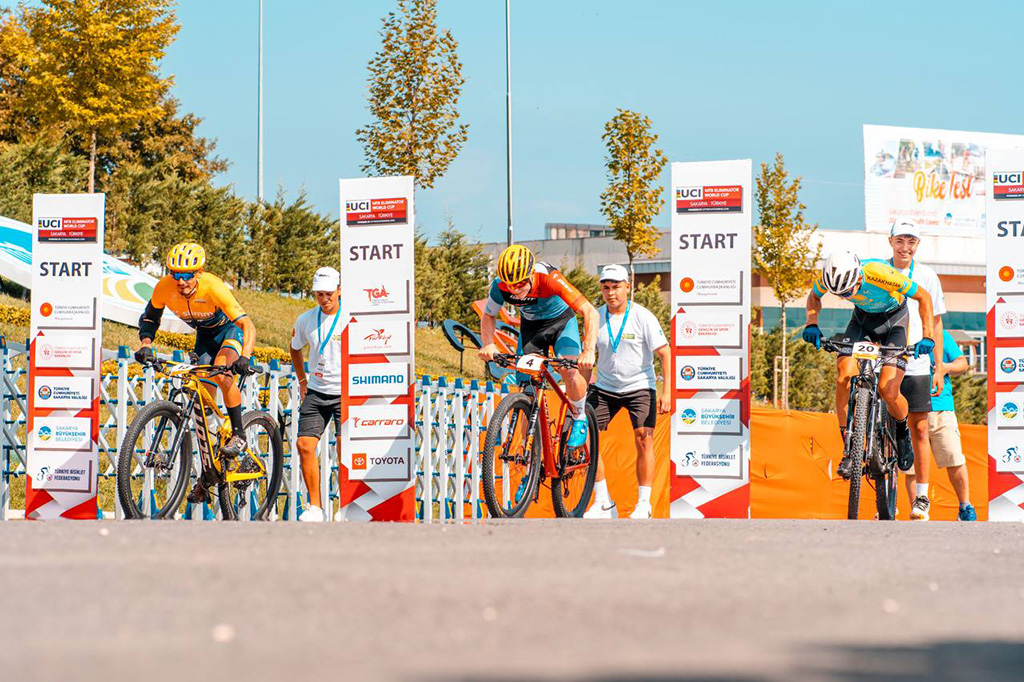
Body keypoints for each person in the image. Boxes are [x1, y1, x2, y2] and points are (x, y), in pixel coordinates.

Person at [135, 242, 257, 503]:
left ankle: (239, 435)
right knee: (202, 402)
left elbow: (247, 324)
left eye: (187, 275)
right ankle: (210, 471)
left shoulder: (213, 287)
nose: (180, 281)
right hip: (204, 337)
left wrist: (244, 357)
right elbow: (149, 318)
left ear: (199, 273)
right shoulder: (164, 287)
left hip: (229, 333)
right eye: (175, 274)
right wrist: (145, 345)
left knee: (222, 374)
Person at [802, 250, 935, 482]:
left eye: (847, 291)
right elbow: (814, 298)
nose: (844, 296)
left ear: (859, 278)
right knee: (844, 375)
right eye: (838, 293)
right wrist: (811, 323)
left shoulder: (879, 273)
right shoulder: (829, 277)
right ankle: (850, 448)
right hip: (862, 322)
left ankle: (902, 431)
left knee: (888, 389)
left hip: (895, 322)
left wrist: (928, 336)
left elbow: (923, 296)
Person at [478, 244, 598, 449]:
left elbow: (590, 311)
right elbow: (488, 314)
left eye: (521, 284)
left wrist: (588, 350)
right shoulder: (499, 286)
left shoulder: (549, 278)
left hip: (561, 323)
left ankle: (579, 417)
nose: (516, 290)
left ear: (531, 273)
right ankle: (530, 459)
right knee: (527, 390)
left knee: (568, 370)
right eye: (511, 285)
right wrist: (488, 344)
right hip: (532, 328)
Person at [582, 265, 671, 519]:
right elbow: (588, 358)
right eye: (606, 288)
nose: (611, 293)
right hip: (605, 387)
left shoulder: (643, 316)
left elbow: (665, 353)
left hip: (640, 386)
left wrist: (667, 393)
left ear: (627, 287)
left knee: (644, 438)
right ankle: (603, 502)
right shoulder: (595, 317)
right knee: (588, 438)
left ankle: (644, 504)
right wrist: (580, 394)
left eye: (616, 287)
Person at [885, 220, 946, 521]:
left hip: (918, 361)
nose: (905, 247)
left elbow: (936, 321)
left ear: (917, 245)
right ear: (890, 241)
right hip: (887, 359)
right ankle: (886, 501)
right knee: (882, 431)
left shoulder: (927, 275)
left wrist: (937, 367)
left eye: (911, 241)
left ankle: (921, 497)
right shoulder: (878, 271)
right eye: (900, 240)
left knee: (920, 429)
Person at [903, 329, 976, 521]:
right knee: (910, 465)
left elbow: (962, 363)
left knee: (953, 458)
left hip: (940, 407)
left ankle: (965, 507)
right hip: (909, 408)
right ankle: (917, 510)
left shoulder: (940, 334)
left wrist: (943, 367)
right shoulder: (902, 330)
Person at [289, 267, 343, 523]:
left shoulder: (350, 317)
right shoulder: (305, 319)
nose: (324, 299)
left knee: (346, 449)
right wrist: (302, 379)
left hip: (346, 393)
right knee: (304, 445)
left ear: (339, 291)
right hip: (317, 391)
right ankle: (315, 507)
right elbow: (294, 349)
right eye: (319, 294)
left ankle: (348, 504)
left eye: (329, 294)